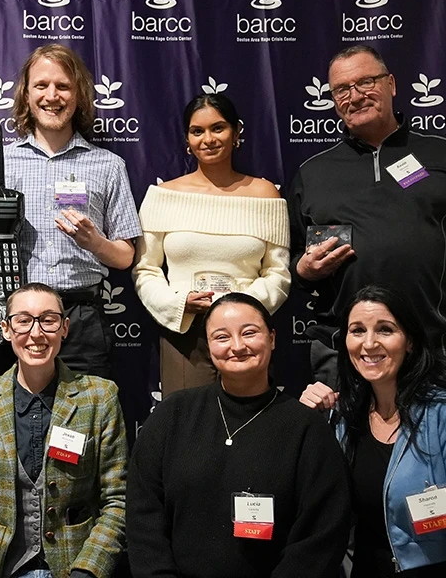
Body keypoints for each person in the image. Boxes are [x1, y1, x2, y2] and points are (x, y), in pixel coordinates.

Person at [127, 292, 351, 578]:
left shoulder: (306, 428)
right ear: (208, 347)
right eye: (221, 337)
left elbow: (321, 533)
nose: (237, 346)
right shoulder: (174, 414)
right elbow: (143, 514)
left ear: (272, 338)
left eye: (249, 333)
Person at [0, 44, 142, 381]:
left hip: (80, 319)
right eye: (41, 86)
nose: (52, 95)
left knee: (81, 426)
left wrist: (95, 242)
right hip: (13, 314)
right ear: (26, 95)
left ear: (78, 95)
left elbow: (124, 257)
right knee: (9, 424)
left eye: (63, 86)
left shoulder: (108, 165)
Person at [289, 45, 446, 388]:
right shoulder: (312, 172)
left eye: (365, 82)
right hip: (346, 350)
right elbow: (291, 262)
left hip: (435, 346)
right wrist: (305, 268)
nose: (355, 96)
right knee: (348, 442)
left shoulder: (439, 153)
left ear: (391, 83)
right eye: (342, 89)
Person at [0, 282, 127, 578]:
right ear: (6, 329)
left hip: (74, 567)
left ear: (64, 328)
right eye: (23, 320)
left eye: (48, 320)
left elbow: (118, 499)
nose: (36, 333)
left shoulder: (99, 397)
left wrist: (87, 571)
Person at [132, 94, 290, 397]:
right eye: (197, 131)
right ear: (187, 139)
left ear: (236, 132)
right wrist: (177, 305)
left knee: (249, 425)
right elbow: (145, 269)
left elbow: (278, 273)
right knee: (187, 428)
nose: (208, 139)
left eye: (218, 128)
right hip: (185, 333)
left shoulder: (265, 194)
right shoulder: (164, 195)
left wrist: (241, 309)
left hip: (245, 335)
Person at [300, 285, 446, 576]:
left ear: (410, 342)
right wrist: (307, 422)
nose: (368, 343)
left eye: (385, 330)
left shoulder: (440, 413)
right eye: (357, 331)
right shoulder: (341, 420)